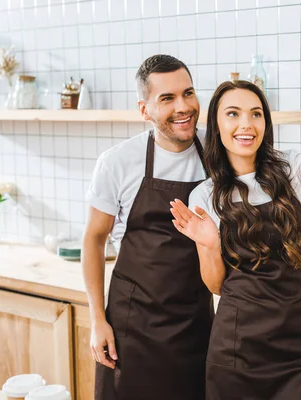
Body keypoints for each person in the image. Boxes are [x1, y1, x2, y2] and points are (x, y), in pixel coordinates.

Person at [169, 38, 301, 400]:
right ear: (216, 123)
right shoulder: (204, 195)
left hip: (300, 350)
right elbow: (217, 285)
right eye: (232, 113)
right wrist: (210, 244)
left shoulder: (292, 170)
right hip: (237, 351)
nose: (246, 124)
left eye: (256, 113)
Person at [83, 54, 213, 400]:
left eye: (188, 93)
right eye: (167, 98)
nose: (183, 106)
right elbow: (94, 241)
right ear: (145, 110)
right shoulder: (118, 162)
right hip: (132, 330)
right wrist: (98, 321)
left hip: (196, 326)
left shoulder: (218, 153)